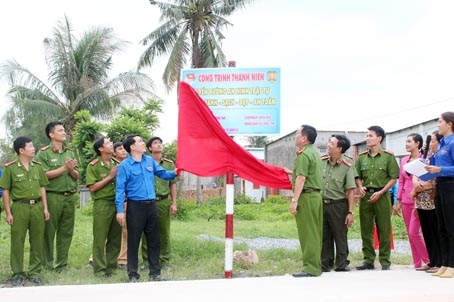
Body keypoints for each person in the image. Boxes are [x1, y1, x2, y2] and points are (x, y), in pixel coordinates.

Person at [115, 134, 178, 283]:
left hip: (151, 206)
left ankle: (155, 273)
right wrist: (120, 210)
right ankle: (133, 274)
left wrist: (176, 172)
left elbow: (164, 174)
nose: (143, 143)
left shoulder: (149, 161)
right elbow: (119, 189)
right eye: (140, 141)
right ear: (132, 146)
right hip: (135, 207)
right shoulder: (124, 166)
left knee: (154, 240)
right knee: (134, 240)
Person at [0, 136, 50, 286]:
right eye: (30, 146)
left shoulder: (38, 166)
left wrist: (45, 208)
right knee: (18, 241)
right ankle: (17, 273)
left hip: (37, 207)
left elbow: (42, 187)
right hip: (19, 207)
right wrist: (8, 212)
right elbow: (6, 191)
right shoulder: (10, 168)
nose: (33, 148)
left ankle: (34, 272)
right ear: (21, 150)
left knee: (37, 240)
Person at [35, 121, 79, 272]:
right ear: (51, 134)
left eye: (63, 130)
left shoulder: (69, 152)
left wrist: (71, 170)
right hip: (53, 196)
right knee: (48, 232)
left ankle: (62, 264)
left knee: (66, 231)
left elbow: (76, 175)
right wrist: (64, 168)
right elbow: (44, 175)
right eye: (60, 130)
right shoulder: (44, 153)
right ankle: (47, 264)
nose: (63, 133)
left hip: (70, 196)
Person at [355, 125, 399, 271]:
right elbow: (357, 176)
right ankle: (368, 260)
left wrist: (381, 192)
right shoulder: (361, 158)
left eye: (370, 136)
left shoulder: (388, 157)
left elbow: (394, 178)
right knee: (366, 229)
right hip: (366, 196)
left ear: (379, 138)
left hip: (382, 195)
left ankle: (385, 260)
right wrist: (360, 187)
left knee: (384, 228)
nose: (367, 138)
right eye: (367, 136)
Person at [285, 125, 323, 277]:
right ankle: (316, 264)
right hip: (316, 196)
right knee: (315, 232)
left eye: (297, 134)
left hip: (306, 197)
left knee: (308, 233)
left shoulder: (303, 155)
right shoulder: (314, 153)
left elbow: (301, 178)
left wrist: (294, 200)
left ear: (304, 138)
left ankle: (310, 267)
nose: (295, 137)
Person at [86, 137, 122, 278]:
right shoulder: (93, 166)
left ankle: (111, 267)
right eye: (108, 143)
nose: (111, 144)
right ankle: (100, 269)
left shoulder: (117, 163)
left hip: (117, 203)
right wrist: (110, 176)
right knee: (100, 238)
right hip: (102, 204)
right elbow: (92, 187)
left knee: (115, 237)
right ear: (101, 149)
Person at [141, 137, 179, 269]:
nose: (159, 145)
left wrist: (174, 203)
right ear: (150, 148)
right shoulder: (144, 162)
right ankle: (147, 261)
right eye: (155, 143)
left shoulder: (169, 164)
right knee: (147, 232)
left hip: (163, 201)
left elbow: (173, 185)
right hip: (147, 201)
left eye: (160, 143)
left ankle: (164, 260)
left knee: (164, 231)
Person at [320, 134, 356, 272]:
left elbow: (351, 191)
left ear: (339, 148)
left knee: (340, 235)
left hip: (339, 205)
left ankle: (341, 263)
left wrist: (350, 212)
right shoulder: (322, 162)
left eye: (332, 143)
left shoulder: (347, 166)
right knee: (324, 235)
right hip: (323, 204)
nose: (328, 145)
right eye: (329, 142)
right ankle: (325, 263)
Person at [393, 133, 429, 270]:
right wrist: (398, 200)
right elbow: (401, 181)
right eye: (406, 141)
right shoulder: (404, 161)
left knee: (415, 232)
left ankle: (428, 260)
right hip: (405, 199)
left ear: (417, 144)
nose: (406, 144)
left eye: (409, 141)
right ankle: (417, 263)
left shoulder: (424, 159)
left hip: (419, 199)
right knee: (410, 233)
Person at [425, 111, 454, 278]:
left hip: (451, 185)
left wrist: (440, 169)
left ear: (449, 124)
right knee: (441, 226)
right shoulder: (442, 144)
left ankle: (452, 263)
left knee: (451, 226)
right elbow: (434, 166)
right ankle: (444, 263)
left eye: (440, 121)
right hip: (440, 186)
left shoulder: (453, 142)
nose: (438, 125)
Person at [411, 130, 443, 274]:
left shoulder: (440, 158)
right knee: (427, 231)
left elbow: (436, 178)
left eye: (432, 142)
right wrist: (416, 184)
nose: (429, 145)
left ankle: (440, 261)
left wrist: (422, 186)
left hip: (433, 199)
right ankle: (432, 260)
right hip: (421, 199)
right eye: (428, 143)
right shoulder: (427, 157)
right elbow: (416, 174)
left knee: (436, 230)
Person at [113, 142, 129, 269]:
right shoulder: (109, 164)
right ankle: (95, 257)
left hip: (125, 202)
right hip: (109, 202)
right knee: (107, 232)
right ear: (114, 152)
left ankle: (123, 259)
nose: (123, 151)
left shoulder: (130, 164)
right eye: (119, 149)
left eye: (124, 148)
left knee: (126, 231)